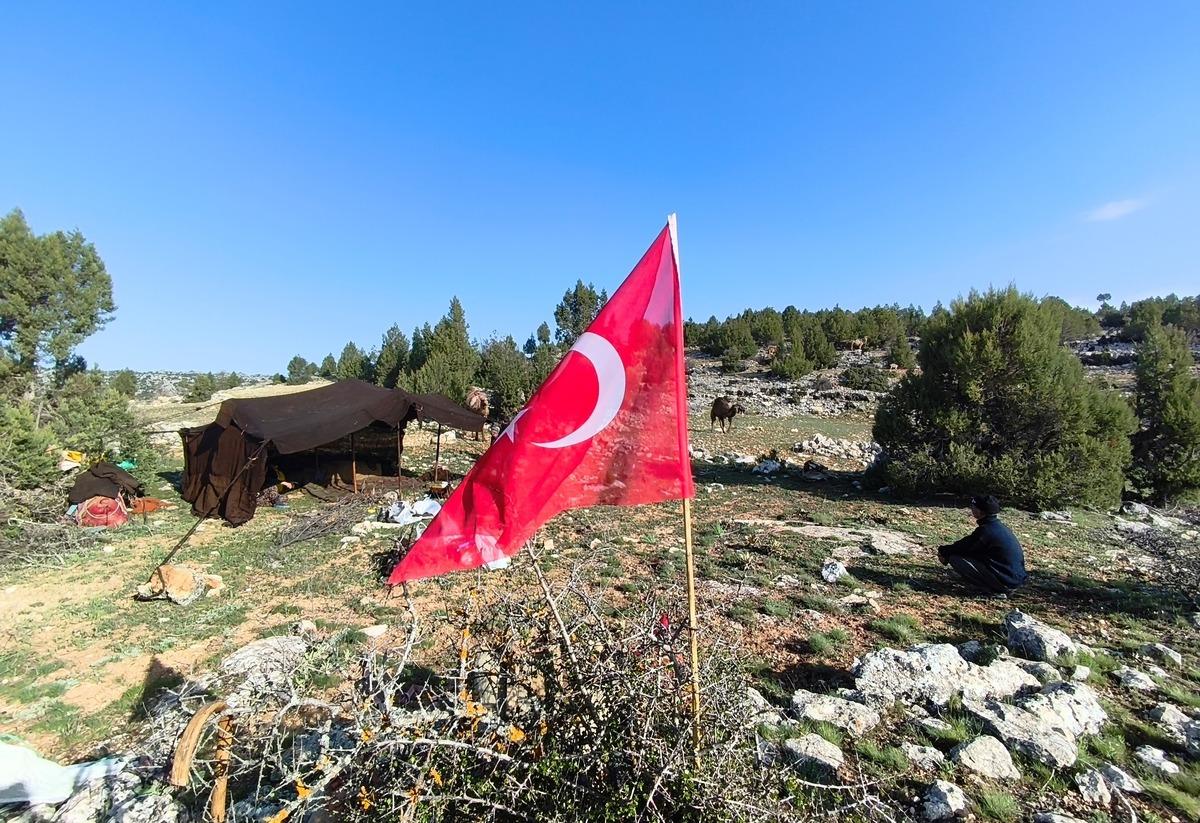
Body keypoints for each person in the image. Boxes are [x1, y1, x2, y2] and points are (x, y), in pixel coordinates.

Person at [937, 494, 1028, 595]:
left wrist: (943, 551)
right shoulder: (999, 527)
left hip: (1006, 583)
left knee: (955, 558)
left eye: (973, 507)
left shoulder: (986, 531)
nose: (971, 509)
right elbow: (970, 547)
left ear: (981, 511)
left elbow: (963, 547)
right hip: (1014, 580)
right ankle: (994, 585)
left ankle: (990, 589)